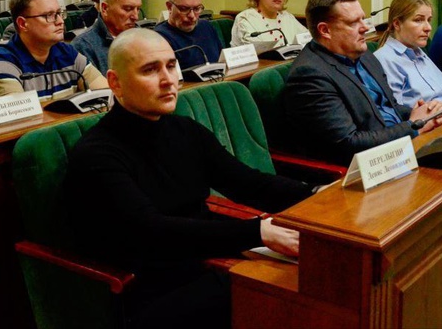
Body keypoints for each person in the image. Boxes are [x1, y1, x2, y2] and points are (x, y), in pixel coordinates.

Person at [66, 29, 315, 329]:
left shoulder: (184, 129)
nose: (168, 79)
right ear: (115, 82)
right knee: (285, 294)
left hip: (200, 261)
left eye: (171, 66)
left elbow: (248, 183)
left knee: (312, 275)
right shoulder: (96, 154)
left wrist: (318, 194)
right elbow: (153, 232)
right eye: (150, 70)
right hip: (146, 290)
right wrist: (258, 232)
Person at [283, 0, 442, 166]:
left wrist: (426, 114)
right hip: (366, 167)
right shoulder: (310, 74)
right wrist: (413, 126)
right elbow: (349, 143)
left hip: (397, 147)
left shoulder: (364, 55)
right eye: (354, 22)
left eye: (363, 18)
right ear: (325, 30)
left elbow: (389, 107)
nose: (365, 28)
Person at [0, 0, 107, 100]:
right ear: (23, 24)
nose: (60, 21)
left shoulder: (68, 53)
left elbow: (106, 95)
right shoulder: (3, 63)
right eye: (49, 15)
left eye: (59, 13)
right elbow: (21, 116)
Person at [373, 0, 442, 114]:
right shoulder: (385, 59)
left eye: (428, 20)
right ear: (397, 24)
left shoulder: (419, 51)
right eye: (418, 20)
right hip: (432, 122)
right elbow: (396, 112)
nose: (428, 27)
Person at [72, 0, 142, 73]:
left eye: (138, 9)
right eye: (128, 9)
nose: (136, 17)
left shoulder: (144, 39)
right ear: (105, 9)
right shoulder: (83, 46)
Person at [154, 0, 223, 69]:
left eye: (197, 8)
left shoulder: (206, 27)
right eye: (184, 9)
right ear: (169, 7)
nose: (192, 16)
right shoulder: (159, 38)